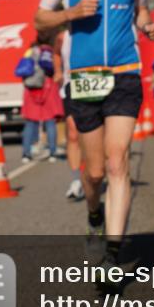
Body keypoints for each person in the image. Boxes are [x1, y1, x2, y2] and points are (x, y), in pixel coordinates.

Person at [34, 0, 154, 288]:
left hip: (125, 73)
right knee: (93, 172)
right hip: (84, 76)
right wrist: (71, 14)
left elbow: (139, 8)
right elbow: (41, 19)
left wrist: (147, 25)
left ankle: (113, 253)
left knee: (118, 160)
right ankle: (93, 214)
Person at [19, 39, 62, 163]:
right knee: (50, 123)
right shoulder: (49, 52)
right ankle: (52, 153)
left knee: (30, 123)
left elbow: (23, 71)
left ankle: (26, 154)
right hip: (48, 89)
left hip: (31, 90)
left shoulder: (29, 53)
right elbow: (56, 70)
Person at [56, 29, 85, 201]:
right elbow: (56, 54)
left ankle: (96, 172)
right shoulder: (63, 36)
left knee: (96, 135)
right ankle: (76, 180)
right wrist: (58, 71)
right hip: (72, 86)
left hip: (98, 85)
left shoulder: (100, 29)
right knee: (73, 134)